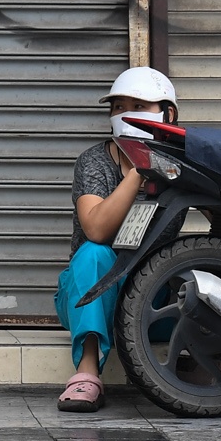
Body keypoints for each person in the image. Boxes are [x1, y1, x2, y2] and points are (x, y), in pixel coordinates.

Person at [56, 65, 178, 413]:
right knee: (93, 254)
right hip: (92, 301)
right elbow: (95, 228)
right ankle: (87, 373)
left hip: (155, 301)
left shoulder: (181, 164)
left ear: (167, 114)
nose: (124, 115)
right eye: (117, 106)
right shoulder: (95, 162)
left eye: (138, 106)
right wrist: (138, 171)